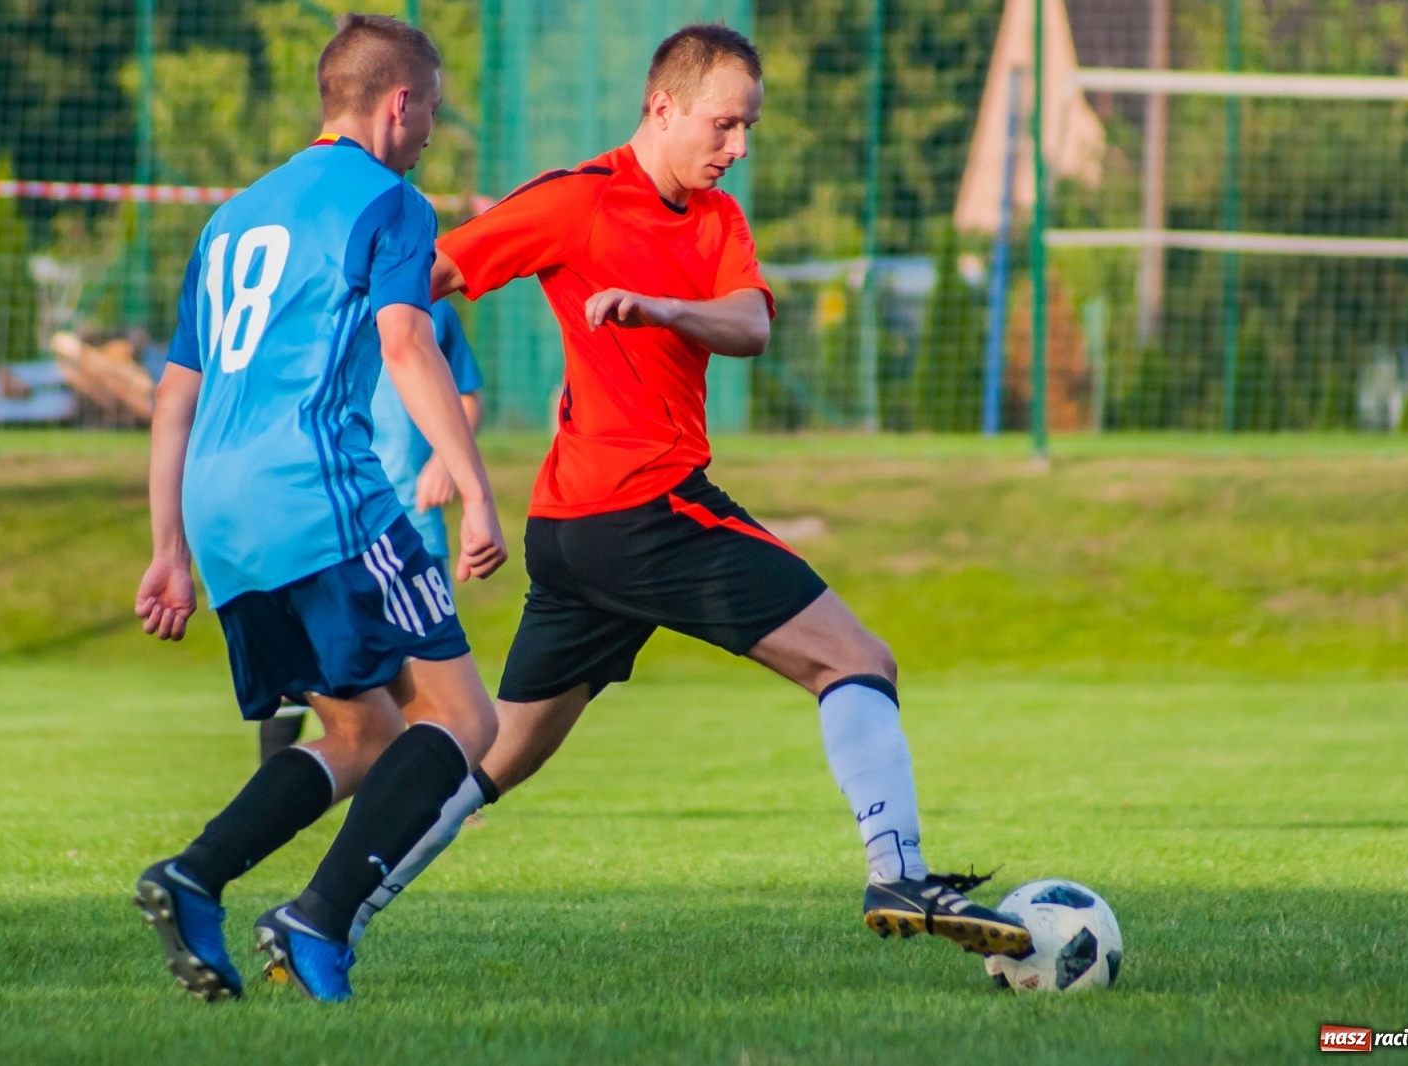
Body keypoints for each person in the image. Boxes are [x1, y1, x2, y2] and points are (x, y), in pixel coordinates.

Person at [348, 23, 1031, 961]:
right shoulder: (578, 199)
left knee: (494, 753)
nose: (737, 147)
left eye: (748, 128)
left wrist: (661, 308)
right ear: (662, 108)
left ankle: (328, 911)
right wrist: (350, 370)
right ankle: (898, 870)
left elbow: (751, 325)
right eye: (723, 125)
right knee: (856, 660)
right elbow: (426, 278)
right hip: (643, 511)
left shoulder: (717, 219)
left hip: (580, 531)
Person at [130, 15, 507, 1004]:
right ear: (398, 103)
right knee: (465, 718)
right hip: (320, 494)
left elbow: (174, 394)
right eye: (431, 111)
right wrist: (473, 487)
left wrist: (169, 546)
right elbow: (406, 343)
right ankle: (318, 918)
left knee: (363, 734)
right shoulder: (392, 201)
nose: (431, 132)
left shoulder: (230, 219)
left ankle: (195, 877)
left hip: (221, 515)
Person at [258, 301, 485, 764]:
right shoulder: (314, 300)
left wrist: (444, 462)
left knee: (427, 680)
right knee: (299, 677)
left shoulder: (429, 303)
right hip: (329, 519)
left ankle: (423, 792)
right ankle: (272, 789)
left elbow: (467, 398)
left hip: (411, 524)